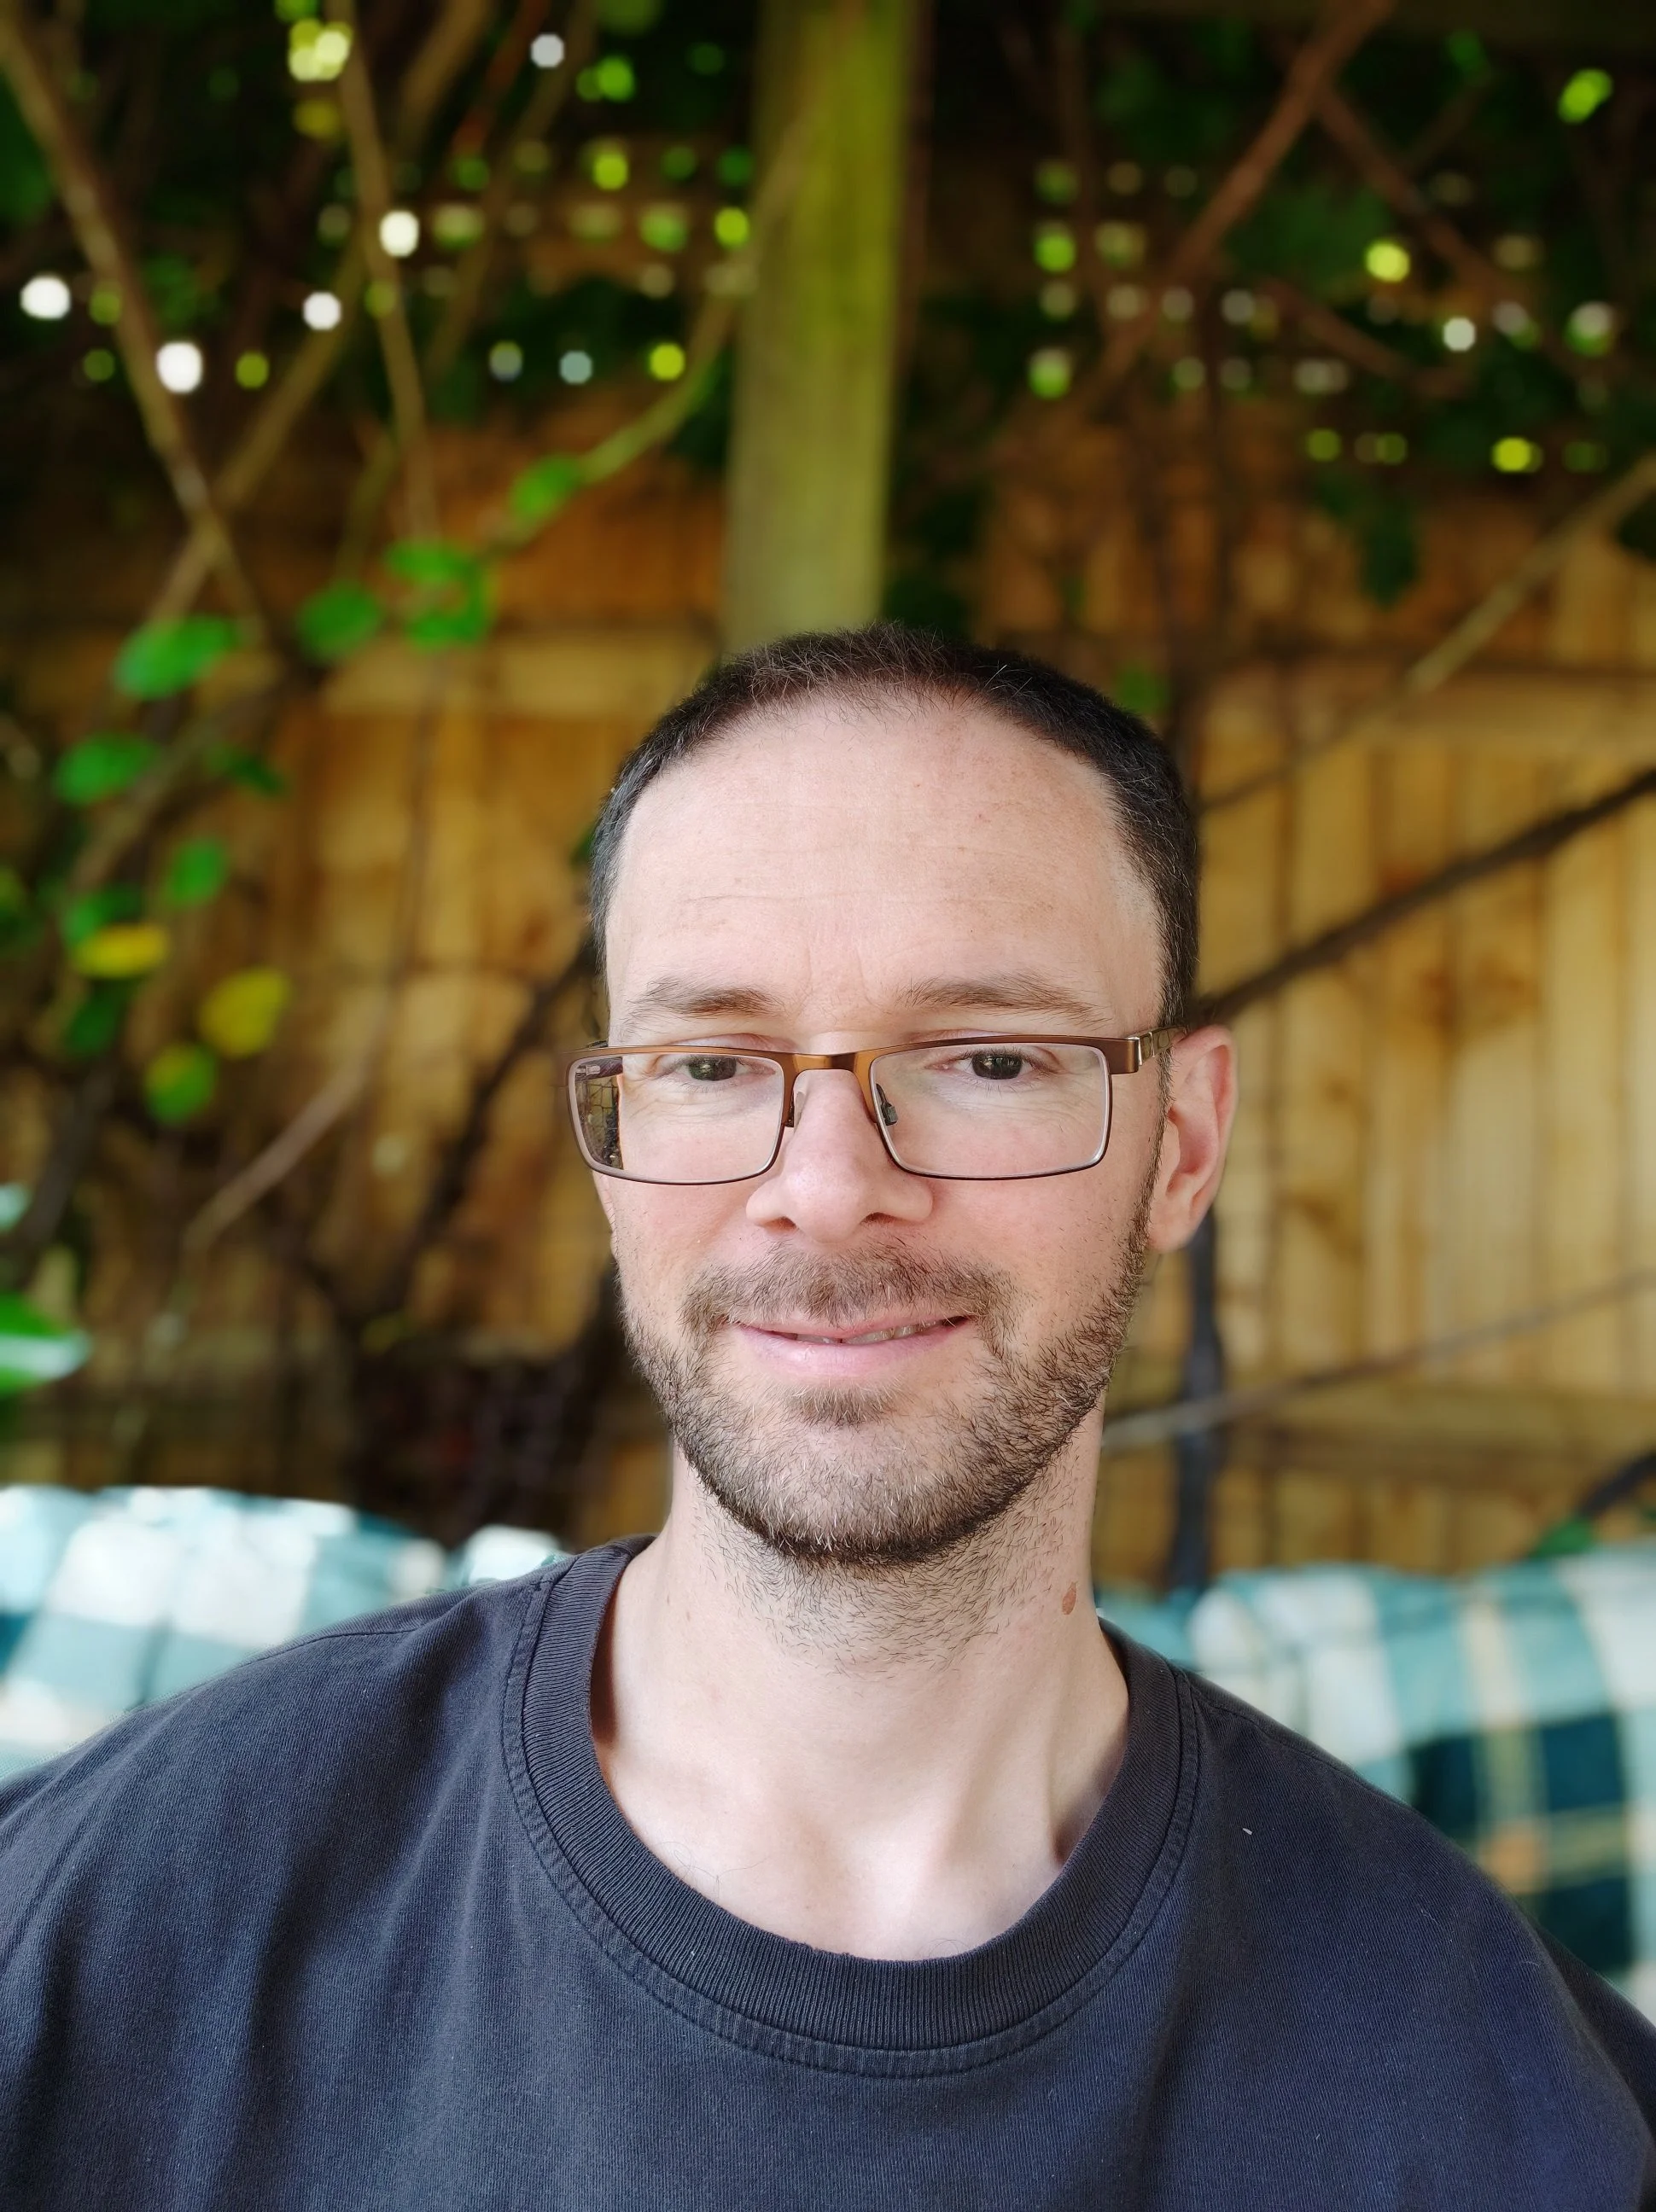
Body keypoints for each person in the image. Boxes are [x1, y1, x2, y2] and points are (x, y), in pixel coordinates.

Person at [2, 627, 1652, 2209]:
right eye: (713, 1065)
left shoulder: (1510, 2100)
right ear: (612, 1145)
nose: (827, 1188)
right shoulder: (118, 1918)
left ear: (1184, 1145)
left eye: (989, 1060)